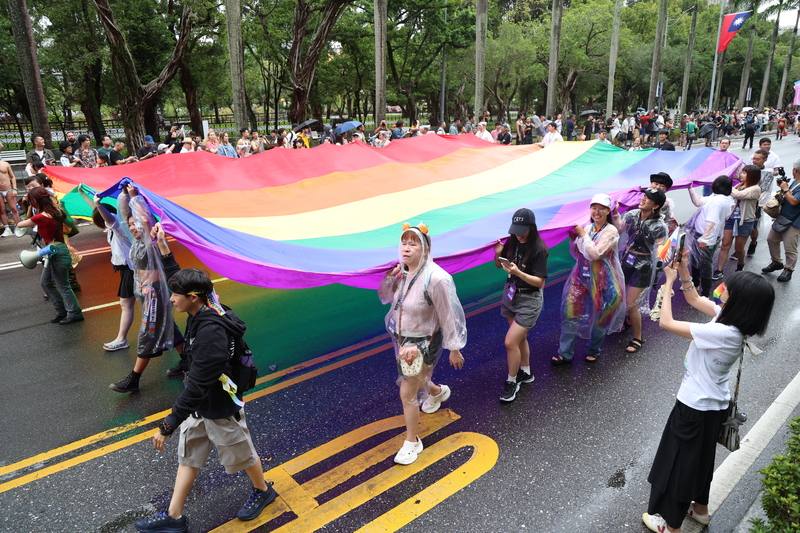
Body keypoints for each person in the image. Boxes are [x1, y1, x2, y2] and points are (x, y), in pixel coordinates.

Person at [135, 269, 277, 532]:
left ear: (192, 297)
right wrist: (165, 251)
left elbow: (199, 384)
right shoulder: (200, 307)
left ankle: (263, 490)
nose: (171, 299)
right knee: (189, 456)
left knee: (242, 454)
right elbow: (189, 279)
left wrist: (168, 424)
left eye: (175, 295)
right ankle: (174, 517)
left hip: (219, 406)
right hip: (200, 407)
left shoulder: (211, 332)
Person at [642, 263, 774, 533]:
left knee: (678, 464)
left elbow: (666, 322)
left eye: (729, 288)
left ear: (740, 302)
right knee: (699, 460)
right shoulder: (729, 321)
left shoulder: (723, 333)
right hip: (714, 406)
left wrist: (667, 283)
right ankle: (700, 509)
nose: (722, 288)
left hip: (694, 407)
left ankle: (671, 525)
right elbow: (693, 298)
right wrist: (683, 270)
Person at [378, 224, 466, 464]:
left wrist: (455, 347)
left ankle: (412, 442)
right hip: (403, 338)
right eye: (404, 242)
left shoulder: (437, 279)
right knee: (419, 379)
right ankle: (438, 393)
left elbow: (450, 314)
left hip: (423, 343)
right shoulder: (403, 273)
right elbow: (386, 299)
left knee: (407, 391)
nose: (406, 248)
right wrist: (390, 280)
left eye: (413, 243)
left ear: (425, 248)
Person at [109, 186, 183, 393]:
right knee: (170, 327)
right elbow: (125, 216)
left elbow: (144, 218)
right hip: (145, 294)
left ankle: (134, 378)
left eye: (136, 224)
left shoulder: (151, 241)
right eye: (130, 225)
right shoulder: (137, 242)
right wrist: (123, 195)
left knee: (147, 334)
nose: (133, 227)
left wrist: (134, 197)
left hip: (156, 295)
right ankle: (188, 360)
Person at [553, 194, 625, 365]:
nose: (597, 211)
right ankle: (565, 353)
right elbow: (577, 253)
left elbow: (594, 254)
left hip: (604, 280)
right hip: (580, 276)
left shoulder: (611, 231)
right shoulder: (587, 227)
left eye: (602, 208)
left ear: (608, 210)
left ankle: (594, 349)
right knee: (569, 312)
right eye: (594, 207)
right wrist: (574, 239)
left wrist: (582, 236)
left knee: (602, 316)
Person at [494, 209, 548, 402]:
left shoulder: (539, 249)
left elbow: (540, 282)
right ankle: (525, 372)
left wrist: (519, 273)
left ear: (531, 228)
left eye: (521, 230)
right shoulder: (512, 241)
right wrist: (498, 255)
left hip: (529, 299)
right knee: (519, 338)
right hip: (511, 295)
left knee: (510, 342)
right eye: (515, 229)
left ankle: (512, 381)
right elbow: (499, 266)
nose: (517, 234)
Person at [15, 188, 84, 324]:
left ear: (35, 201)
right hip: (56, 250)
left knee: (63, 285)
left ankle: (74, 313)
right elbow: (70, 223)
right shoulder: (58, 212)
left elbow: (20, 224)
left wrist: (26, 206)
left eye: (31, 200)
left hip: (55, 251)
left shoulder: (40, 217)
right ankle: (62, 311)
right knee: (46, 283)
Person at [614, 188, 668, 354]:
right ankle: (625, 321)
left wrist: (662, 266)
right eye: (643, 196)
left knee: (631, 304)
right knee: (620, 296)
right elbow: (620, 229)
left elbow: (662, 249)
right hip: (627, 260)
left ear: (656, 205)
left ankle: (638, 337)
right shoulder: (632, 214)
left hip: (643, 266)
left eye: (648, 198)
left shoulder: (659, 226)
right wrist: (615, 214)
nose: (643, 199)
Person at [92, 198, 136, 351]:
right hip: (127, 270)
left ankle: (122, 339)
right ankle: (122, 338)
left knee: (127, 304)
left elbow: (107, 217)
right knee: (130, 304)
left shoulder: (117, 224)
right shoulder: (111, 226)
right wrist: (84, 194)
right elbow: (103, 215)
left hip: (132, 269)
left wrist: (98, 205)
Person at [686, 176, 735, 296]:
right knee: (696, 260)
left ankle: (704, 293)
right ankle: (696, 284)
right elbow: (698, 202)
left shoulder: (717, 202)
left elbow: (712, 221)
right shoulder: (722, 199)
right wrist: (690, 188)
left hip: (706, 237)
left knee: (704, 265)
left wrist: (705, 239)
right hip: (706, 235)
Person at [762, 159, 800, 282]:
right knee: (771, 239)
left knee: (790, 248)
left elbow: (794, 201)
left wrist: (785, 189)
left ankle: (788, 269)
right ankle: (776, 262)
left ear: (795, 170)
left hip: (795, 221)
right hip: (783, 217)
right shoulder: (796, 182)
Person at [0, 146, 21, 237]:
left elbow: (12, 177)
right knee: (1, 210)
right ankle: (7, 228)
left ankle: (19, 227)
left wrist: (15, 188)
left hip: (8, 189)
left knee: (14, 208)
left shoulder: (5, 164)